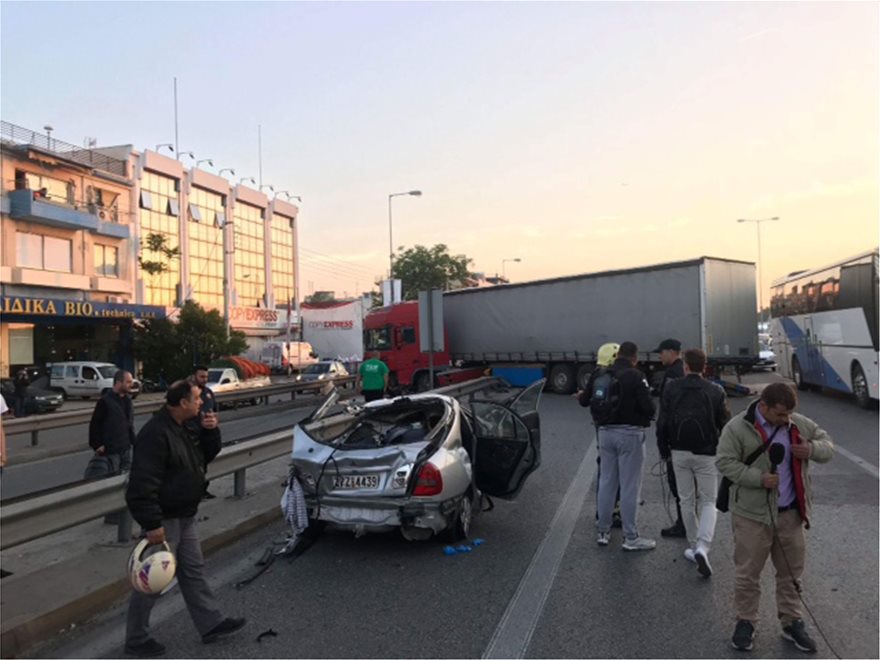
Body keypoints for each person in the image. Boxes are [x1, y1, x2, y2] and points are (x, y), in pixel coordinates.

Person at [124, 380, 246, 657]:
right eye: (196, 398)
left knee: (193, 572)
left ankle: (211, 623)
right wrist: (152, 523)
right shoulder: (156, 434)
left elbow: (204, 456)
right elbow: (142, 483)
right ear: (182, 403)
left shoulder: (184, 427)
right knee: (151, 580)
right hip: (164, 520)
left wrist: (211, 432)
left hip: (185, 515)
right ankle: (136, 639)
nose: (201, 402)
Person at [716, 382, 833, 654]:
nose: (785, 419)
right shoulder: (737, 428)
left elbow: (827, 444)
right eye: (780, 414)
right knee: (748, 574)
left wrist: (812, 449)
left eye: (789, 414)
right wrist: (757, 478)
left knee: (791, 574)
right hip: (752, 516)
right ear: (763, 406)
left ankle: (791, 621)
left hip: (790, 515)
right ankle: (745, 621)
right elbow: (724, 461)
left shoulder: (797, 425)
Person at [657, 348, 730, 577]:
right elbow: (724, 423)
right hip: (706, 452)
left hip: (678, 450)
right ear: (704, 366)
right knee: (709, 500)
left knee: (686, 499)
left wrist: (663, 449)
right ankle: (703, 546)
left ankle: (693, 544)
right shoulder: (716, 390)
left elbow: (663, 421)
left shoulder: (671, 387)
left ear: (686, 366)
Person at [594, 341, 656, 551]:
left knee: (606, 482)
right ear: (634, 358)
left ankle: (603, 531)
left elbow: (586, 400)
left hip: (604, 433)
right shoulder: (636, 376)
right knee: (629, 486)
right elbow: (649, 408)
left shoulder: (602, 374)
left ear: (617, 355)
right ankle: (631, 537)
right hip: (630, 434)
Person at [575, 342, 622, 528]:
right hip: (621, 429)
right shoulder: (621, 375)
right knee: (622, 471)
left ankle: (601, 513)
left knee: (605, 470)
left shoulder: (596, 375)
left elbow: (585, 401)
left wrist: (581, 396)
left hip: (601, 428)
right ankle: (617, 511)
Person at [652, 338, 688, 538]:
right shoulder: (684, 370)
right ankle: (690, 522)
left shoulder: (672, 376)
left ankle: (683, 524)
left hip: (675, 438)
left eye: (662, 352)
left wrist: (661, 442)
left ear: (672, 352)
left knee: (678, 484)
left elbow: (665, 412)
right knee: (690, 486)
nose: (659, 355)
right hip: (692, 437)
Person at [89, 370, 136, 474]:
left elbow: (129, 424)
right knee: (112, 479)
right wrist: (97, 445)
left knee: (126, 480)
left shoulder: (128, 401)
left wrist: (134, 442)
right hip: (111, 451)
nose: (131, 385)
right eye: (128, 382)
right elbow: (95, 424)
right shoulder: (105, 401)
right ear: (118, 383)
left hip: (126, 448)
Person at [189, 366, 219, 500]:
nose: (204, 379)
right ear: (194, 376)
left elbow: (215, 410)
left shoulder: (209, 393)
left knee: (204, 465)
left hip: (206, 435)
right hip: (192, 435)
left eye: (206, 377)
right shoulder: (189, 393)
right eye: (201, 377)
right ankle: (193, 492)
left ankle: (202, 490)